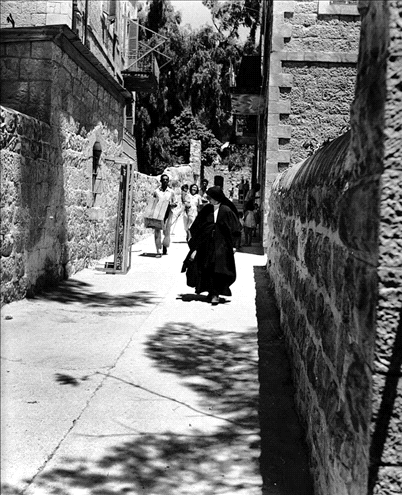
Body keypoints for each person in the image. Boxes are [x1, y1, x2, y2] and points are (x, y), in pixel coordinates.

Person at [182, 186, 241, 305]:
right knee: (207, 267)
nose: (209, 200)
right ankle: (210, 291)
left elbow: (235, 229)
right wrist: (192, 237)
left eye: (211, 197)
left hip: (222, 245)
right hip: (206, 244)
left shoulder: (226, 210)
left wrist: (234, 245)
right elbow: (197, 225)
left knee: (218, 268)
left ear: (217, 198)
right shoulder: (206, 209)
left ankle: (216, 293)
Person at [153, 174, 177, 257]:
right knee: (157, 232)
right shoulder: (156, 191)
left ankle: (165, 245)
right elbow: (152, 201)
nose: (165, 181)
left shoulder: (171, 192)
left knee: (166, 232)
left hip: (168, 213)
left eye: (167, 180)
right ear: (161, 181)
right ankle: (158, 250)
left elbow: (176, 202)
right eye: (163, 180)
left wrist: (172, 204)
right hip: (158, 214)